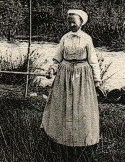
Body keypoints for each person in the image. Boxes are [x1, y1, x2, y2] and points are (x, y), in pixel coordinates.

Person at [42, 9, 103, 151]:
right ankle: (61, 140)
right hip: (64, 74)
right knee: (64, 106)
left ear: (81, 22)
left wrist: (97, 81)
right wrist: (52, 69)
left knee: (81, 107)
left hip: (82, 76)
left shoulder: (87, 39)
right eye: (69, 22)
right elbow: (57, 58)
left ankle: (82, 141)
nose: (71, 24)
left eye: (74, 22)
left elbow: (93, 61)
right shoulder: (65, 38)